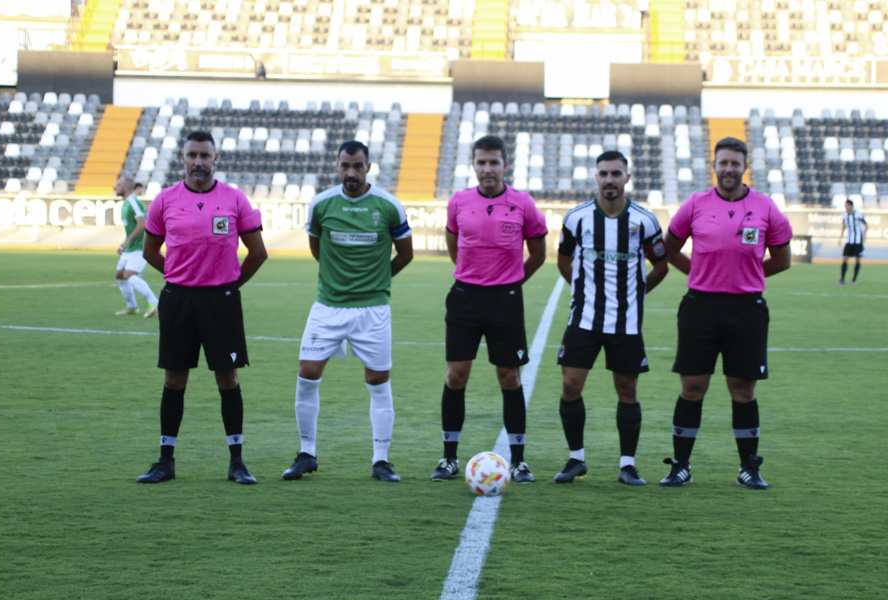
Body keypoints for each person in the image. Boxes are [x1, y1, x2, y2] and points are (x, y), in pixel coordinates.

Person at [659, 136, 792, 489]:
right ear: (714, 166)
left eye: (735, 163)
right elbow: (668, 250)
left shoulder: (765, 208)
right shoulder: (695, 204)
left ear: (744, 166)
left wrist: (747, 276)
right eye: (723, 163)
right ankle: (680, 466)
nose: (729, 169)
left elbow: (782, 260)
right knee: (692, 387)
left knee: (743, 390)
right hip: (700, 306)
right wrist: (699, 274)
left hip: (747, 309)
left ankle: (749, 467)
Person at [136, 130, 268, 485]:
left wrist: (229, 285)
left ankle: (237, 462)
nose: (198, 162)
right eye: (192, 155)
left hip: (220, 300)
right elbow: (150, 251)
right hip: (178, 299)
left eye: (204, 156)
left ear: (215, 159)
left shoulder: (234, 199)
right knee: (174, 378)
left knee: (228, 378)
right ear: (183, 158)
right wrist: (179, 277)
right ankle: (165, 461)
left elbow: (258, 253)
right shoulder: (165, 201)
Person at [282, 140, 413, 483]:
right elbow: (316, 248)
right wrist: (337, 281)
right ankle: (306, 453)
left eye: (357, 165)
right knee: (307, 373)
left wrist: (378, 281)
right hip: (328, 307)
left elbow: (406, 253)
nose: (350, 172)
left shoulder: (388, 205)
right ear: (337, 167)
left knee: (377, 381)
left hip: (373, 310)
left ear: (368, 167)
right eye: (344, 166)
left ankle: (381, 460)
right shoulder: (322, 204)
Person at [553, 150, 685, 486]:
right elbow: (564, 260)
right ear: (595, 177)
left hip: (626, 323)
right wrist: (582, 289)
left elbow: (660, 266)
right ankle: (576, 459)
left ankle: (627, 464)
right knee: (570, 385)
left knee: (627, 390)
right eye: (603, 173)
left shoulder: (645, 221)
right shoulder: (576, 218)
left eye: (616, 173)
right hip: (584, 319)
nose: (609, 179)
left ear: (627, 177)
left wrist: (636, 295)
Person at [430, 135, 547, 484]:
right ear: (473, 165)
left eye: (494, 162)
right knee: (456, 375)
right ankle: (449, 457)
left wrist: (511, 283)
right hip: (465, 298)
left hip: (505, 300)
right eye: (481, 162)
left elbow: (539, 253)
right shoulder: (459, 201)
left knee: (509, 377)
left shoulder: (523, 203)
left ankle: (520, 459)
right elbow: (455, 245)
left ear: (505, 165)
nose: (487, 169)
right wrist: (472, 277)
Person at [113, 176, 159, 317]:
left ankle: (153, 302)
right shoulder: (126, 203)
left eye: (119, 184)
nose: (116, 187)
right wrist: (126, 242)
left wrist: (127, 241)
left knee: (129, 275)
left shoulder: (133, 202)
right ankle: (132, 307)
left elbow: (142, 223)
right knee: (120, 276)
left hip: (140, 247)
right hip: (131, 248)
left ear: (127, 187)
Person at [838, 199, 867, 285]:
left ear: (850, 206)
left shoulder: (859, 215)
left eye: (846, 206)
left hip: (858, 241)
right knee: (845, 259)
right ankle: (842, 278)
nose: (845, 207)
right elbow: (843, 226)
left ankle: (854, 279)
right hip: (849, 240)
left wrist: (864, 235)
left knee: (857, 260)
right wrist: (840, 238)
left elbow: (866, 225)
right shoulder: (844, 215)